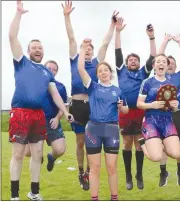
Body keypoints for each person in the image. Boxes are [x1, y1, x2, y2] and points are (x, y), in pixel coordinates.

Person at [8, 1, 73, 200]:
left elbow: (55, 95)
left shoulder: (47, 72)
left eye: (40, 48)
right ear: (28, 51)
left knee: (37, 155)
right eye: (34, 47)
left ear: (43, 51)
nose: (37, 50)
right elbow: (12, 36)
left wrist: (66, 111)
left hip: (39, 115)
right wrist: (19, 14)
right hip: (20, 112)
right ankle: (14, 195)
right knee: (18, 155)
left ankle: (34, 193)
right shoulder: (21, 62)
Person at [62, 0, 116, 190]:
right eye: (85, 49)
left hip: (93, 105)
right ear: (81, 51)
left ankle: (87, 173)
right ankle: (80, 170)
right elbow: (71, 39)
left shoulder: (96, 63)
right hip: (77, 106)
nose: (88, 51)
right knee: (79, 142)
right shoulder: (74, 60)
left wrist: (112, 25)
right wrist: (67, 16)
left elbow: (106, 43)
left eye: (90, 50)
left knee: (89, 141)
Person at [78, 38, 129, 201]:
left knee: (112, 167)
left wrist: (122, 107)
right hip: (93, 129)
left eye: (105, 70)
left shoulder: (118, 90)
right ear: (97, 74)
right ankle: (95, 198)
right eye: (100, 71)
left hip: (112, 130)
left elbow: (126, 110)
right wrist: (84, 48)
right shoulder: (93, 87)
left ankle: (114, 198)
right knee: (95, 167)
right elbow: (80, 68)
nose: (103, 72)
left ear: (110, 72)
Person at [114, 19, 156, 190]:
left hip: (140, 112)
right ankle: (128, 176)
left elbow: (153, 57)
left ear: (138, 63)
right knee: (126, 144)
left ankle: (139, 175)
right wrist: (117, 32)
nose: (132, 61)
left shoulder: (143, 72)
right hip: (124, 112)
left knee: (139, 144)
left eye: (135, 60)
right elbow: (117, 50)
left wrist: (151, 38)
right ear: (126, 62)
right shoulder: (121, 70)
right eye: (130, 60)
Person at [24, 60, 68, 173]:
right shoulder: (34, 84)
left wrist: (58, 118)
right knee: (28, 153)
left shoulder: (61, 87)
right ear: (44, 68)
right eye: (49, 68)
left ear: (56, 72)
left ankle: (51, 157)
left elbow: (63, 106)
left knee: (60, 150)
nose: (51, 71)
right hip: (36, 121)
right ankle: (39, 156)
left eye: (54, 69)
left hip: (52, 121)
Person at [136, 54, 180, 163]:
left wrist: (175, 106)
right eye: (158, 61)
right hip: (151, 121)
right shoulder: (147, 82)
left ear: (167, 66)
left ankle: (159, 144)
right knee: (156, 157)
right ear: (154, 65)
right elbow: (139, 104)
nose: (161, 64)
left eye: (164, 62)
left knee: (176, 154)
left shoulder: (171, 85)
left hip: (167, 121)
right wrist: (152, 105)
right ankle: (143, 144)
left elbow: (174, 109)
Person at [156, 33, 180, 186]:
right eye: (166, 62)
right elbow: (158, 56)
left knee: (178, 146)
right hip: (161, 116)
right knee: (162, 145)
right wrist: (165, 40)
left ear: (175, 66)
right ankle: (163, 172)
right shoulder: (159, 76)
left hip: (175, 115)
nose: (169, 65)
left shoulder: (179, 77)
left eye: (172, 63)